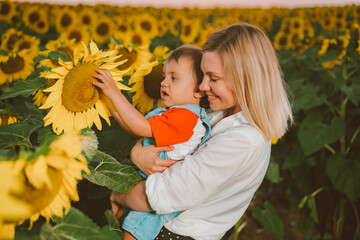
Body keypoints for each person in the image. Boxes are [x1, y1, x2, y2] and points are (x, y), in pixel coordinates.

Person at [109, 22, 293, 240]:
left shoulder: (243, 141)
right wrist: (138, 154)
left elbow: (163, 194)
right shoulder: (218, 112)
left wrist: (117, 194)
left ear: (245, 80)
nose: (203, 86)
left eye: (213, 78)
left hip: (175, 233)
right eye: (203, 75)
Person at [93, 44, 211, 240]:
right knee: (119, 224)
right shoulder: (173, 113)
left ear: (199, 90)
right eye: (164, 76)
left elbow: (140, 128)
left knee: (133, 232)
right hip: (147, 183)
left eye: (174, 78)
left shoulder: (187, 118)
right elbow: (134, 130)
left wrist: (115, 92)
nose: (164, 83)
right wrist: (108, 101)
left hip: (160, 194)